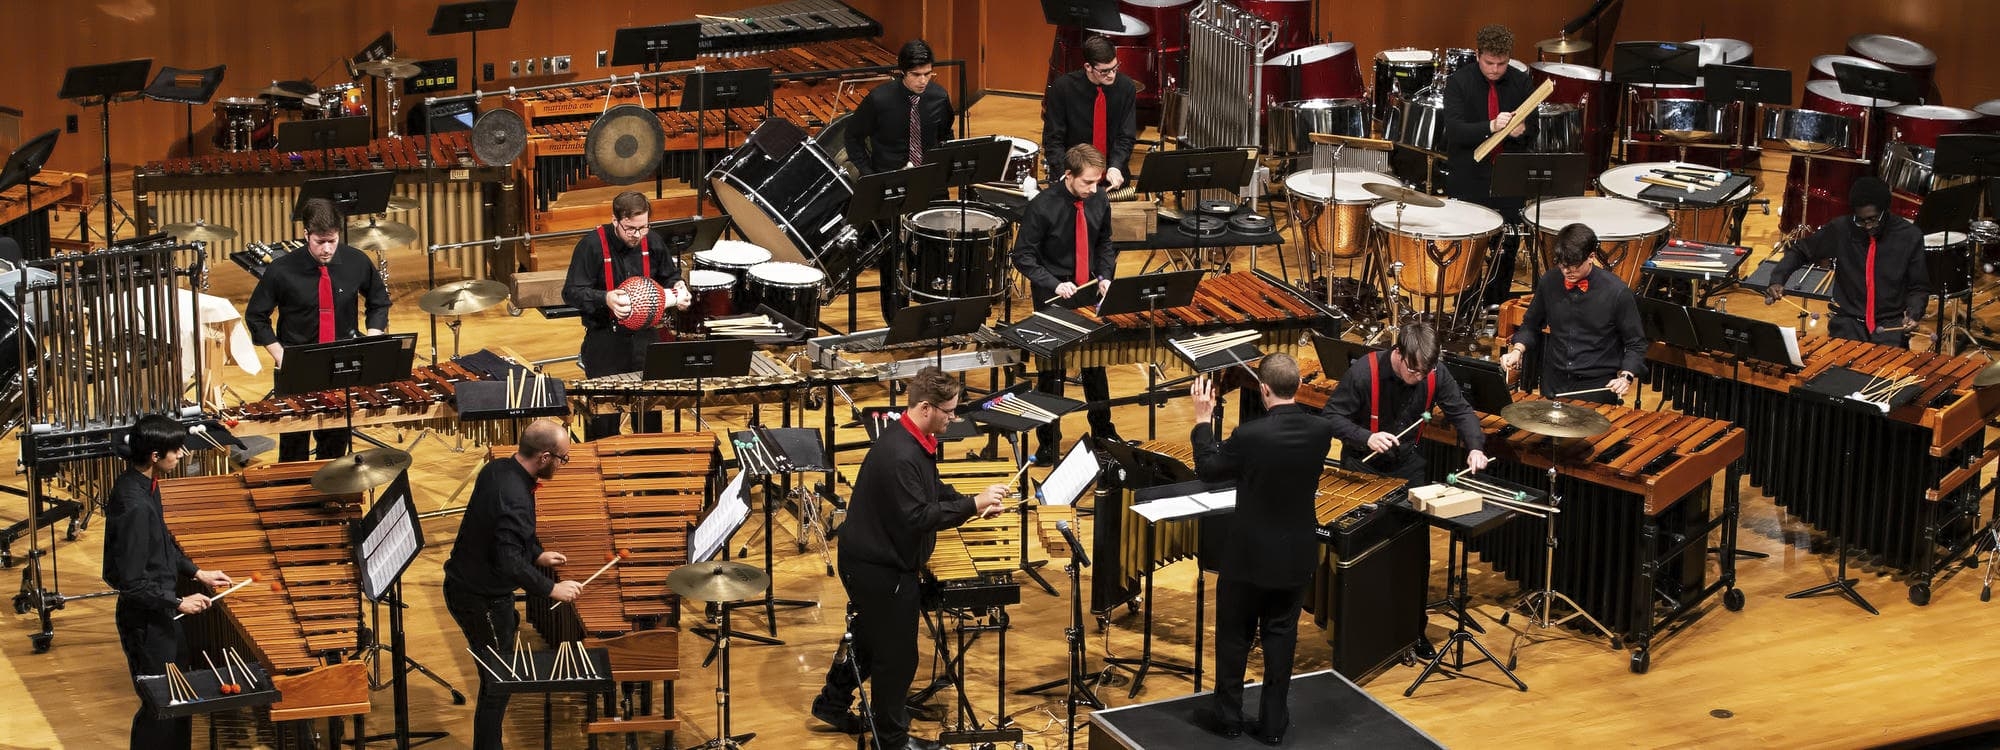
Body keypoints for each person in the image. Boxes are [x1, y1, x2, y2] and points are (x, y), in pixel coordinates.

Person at [811, 367, 1007, 750]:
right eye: (949, 411)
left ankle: (832, 704)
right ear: (925, 407)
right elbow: (918, 517)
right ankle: (893, 741)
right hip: (879, 568)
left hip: (870, 557)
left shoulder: (912, 439)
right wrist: (971, 504)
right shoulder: (900, 454)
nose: (955, 417)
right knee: (898, 659)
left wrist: (972, 502)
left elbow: (932, 490)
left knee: (869, 640)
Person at [1186, 354, 1331, 745]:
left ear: (1263, 390)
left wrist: (1203, 421)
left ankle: (1229, 718)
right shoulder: (1321, 432)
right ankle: (1272, 725)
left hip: (1248, 559)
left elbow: (1209, 469)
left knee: (1234, 638)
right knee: (1281, 639)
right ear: (1298, 385)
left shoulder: (1250, 436)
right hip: (1296, 555)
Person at [442, 419, 583, 750]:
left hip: (475, 585)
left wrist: (537, 554)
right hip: (478, 599)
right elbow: (508, 561)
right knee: (498, 681)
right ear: (545, 457)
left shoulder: (500, 469)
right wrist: (552, 589)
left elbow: (506, 536)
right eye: (563, 459)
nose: (564, 466)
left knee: (498, 674)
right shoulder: (516, 497)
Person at [102, 414, 234, 750]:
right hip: (146, 619)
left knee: (181, 700)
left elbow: (162, 542)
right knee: (162, 706)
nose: (182, 455)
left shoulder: (147, 485)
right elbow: (129, 583)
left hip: (160, 610)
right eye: (175, 450)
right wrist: (178, 602)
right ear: (155, 456)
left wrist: (195, 572)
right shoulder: (133, 505)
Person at [244, 197, 390, 461]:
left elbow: (379, 301)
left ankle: (329, 498)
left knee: (335, 446)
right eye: (319, 242)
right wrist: (280, 354)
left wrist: (372, 338)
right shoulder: (281, 270)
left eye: (332, 241)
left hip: (342, 362)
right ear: (305, 234)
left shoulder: (357, 262)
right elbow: (256, 316)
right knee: (293, 446)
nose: (326, 249)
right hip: (296, 363)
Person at [1011, 144, 1120, 461]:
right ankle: (1048, 442)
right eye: (1087, 181)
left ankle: (1104, 433)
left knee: (1095, 366)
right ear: (1069, 175)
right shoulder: (1043, 206)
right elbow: (1023, 257)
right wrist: (1055, 284)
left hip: (1089, 293)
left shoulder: (1098, 198)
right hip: (1053, 295)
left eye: (1096, 181)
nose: (1093, 188)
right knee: (1050, 373)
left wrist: (1105, 275)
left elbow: (1104, 243)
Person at [561, 190, 690, 440]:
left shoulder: (651, 241)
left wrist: (680, 288)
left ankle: (648, 470)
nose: (637, 235)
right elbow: (571, 292)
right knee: (604, 426)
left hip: (646, 340)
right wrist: (604, 298)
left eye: (643, 227)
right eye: (630, 228)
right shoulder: (592, 245)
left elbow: (670, 276)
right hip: (606, 341)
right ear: (615, 220)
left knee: (649, 419)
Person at [846, 39, 957, 312]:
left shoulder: (939, 97)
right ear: (902, 72)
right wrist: (871, 176)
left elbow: (945, 136)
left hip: (930, 184)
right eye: (916, 75)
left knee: (936, 247)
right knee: (893, 254)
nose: (923, 81)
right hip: (890, 186)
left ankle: (931, 308)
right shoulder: (879, 99)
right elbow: (853, 137)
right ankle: (894, 314)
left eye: (928, 73)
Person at [1765, 176, 1929, 346]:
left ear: (1885, 211)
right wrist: (1778, 279)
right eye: (1861, 220)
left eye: (1873, 219)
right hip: (1848, 322)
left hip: (1890, 325)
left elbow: (1919, 287)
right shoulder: (1842, 229)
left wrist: (1913, 314)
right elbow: (1800, 250)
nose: (1867, 226)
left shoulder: (1910, 236)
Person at [1320, 321, 1490, 483]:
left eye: (1425, 372)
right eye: (1413, 370)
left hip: (1409, 465)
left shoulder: (1435, 373)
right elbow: (1331, 417)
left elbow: (1461, 412)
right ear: (1399, 352)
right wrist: (1367, 437)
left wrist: (1475, 447)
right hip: (1362, 465)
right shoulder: (1364, 372)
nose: (1419, 377)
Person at [1441, 24, 1537, 309]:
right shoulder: (1459, 82)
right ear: (1477, 55)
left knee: (1507, 247)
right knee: (1468, 250)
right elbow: (1455, 131)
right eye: (1489, 63)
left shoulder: (1521, 82)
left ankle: (1497, 308)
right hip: (1469, 178)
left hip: (1507, 178)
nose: (1495, 69)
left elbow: (1535, 127)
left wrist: (1522, 130)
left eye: (1502, 63)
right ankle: (1465, 308)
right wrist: (1491, 126)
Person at [1500, 223, 1647, 404]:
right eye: (1562, 265)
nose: (1567, 271)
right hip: (1553, 381)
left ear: (1591, 257)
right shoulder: (1549, 282)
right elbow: (1531, 325)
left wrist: (1626, 377)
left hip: (1595, 386)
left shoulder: (1617, 292)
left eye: (1574, 266)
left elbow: (1636, 343)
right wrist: (1517, 351)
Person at [1042, 35, 1137, 191]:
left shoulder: (1126, 88)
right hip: (1072, 176)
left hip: (1111, 178)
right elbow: (1053, 139)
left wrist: (1116, 166)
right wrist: (1065, 175)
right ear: (1088, 67)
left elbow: (1126, 136)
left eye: (1115, 68)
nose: (1112, 75)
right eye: (1105, 71)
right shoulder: (1063, 89)